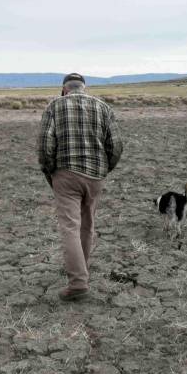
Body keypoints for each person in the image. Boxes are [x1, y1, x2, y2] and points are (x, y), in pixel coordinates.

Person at [37, 73, 124, 302]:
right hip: (95, 176)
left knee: (70, 227)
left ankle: (78, 283)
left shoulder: (54, 106)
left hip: (66, 174)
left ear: (64, 89)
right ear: (84, 88)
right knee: (87, 225)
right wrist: (104, 170)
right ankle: (80, 269)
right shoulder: (103, 107)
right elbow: (116, 145)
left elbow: (45, 145)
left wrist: (51, 172)